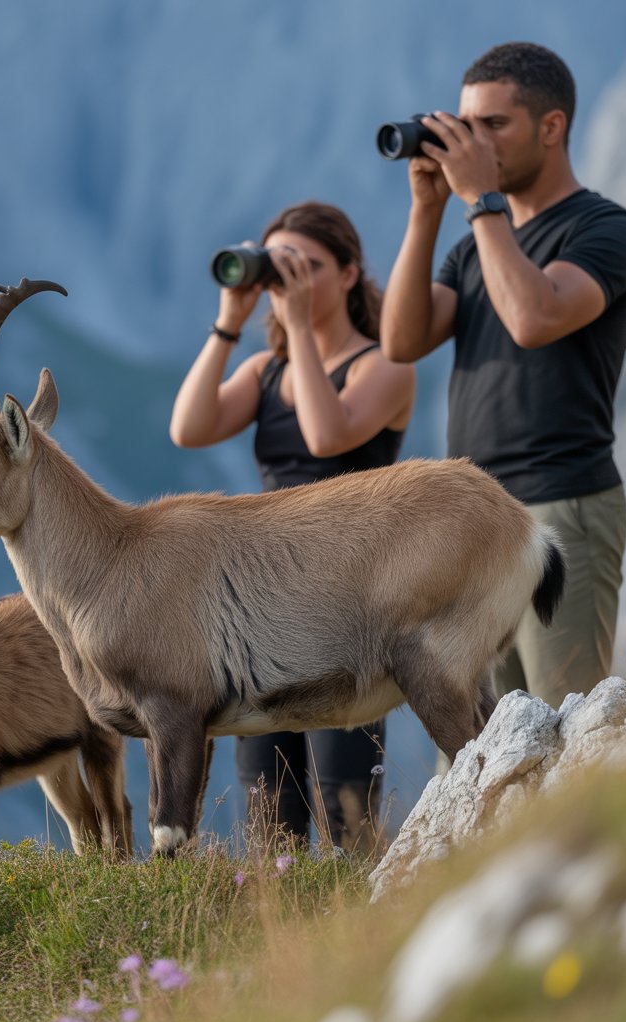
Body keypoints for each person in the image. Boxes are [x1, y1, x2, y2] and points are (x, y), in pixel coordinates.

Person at [380, 42, 626, 712]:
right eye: (465, 127)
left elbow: (535, 316)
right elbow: (401, 339)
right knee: (473, 745)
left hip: (563, 507)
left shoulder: (607, 229)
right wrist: (427, 208)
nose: (474, 143)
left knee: (571, 723)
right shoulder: (474, 244)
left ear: (551, 127)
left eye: (494, 125)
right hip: (472, 523)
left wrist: (479, 198)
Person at [170, 201, 415, 852]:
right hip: (264, 609)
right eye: (277, 268)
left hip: (347, 604)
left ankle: (361, 925)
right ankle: (280, 935)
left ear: (349, 273)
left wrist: (301, 329)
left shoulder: (384, 365)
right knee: (268, 812)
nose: (287, 284)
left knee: (348, 811)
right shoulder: (265, 372)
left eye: (304, 268)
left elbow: (327, 434)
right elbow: (188, 428)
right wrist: (230, 323)